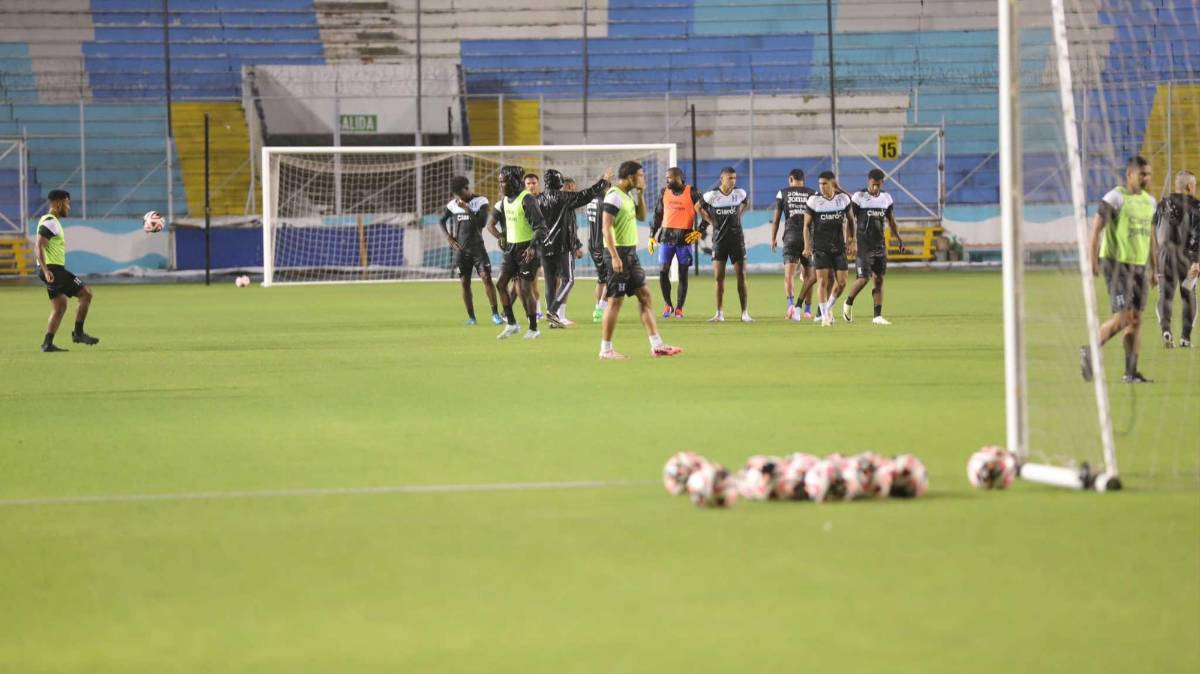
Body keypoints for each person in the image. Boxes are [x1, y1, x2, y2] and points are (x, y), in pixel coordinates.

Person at [1081, 156, 1157, 383]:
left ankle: (1131, 373)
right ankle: (1090, 350)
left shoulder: (1150, 202)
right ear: (1129, 174)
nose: (1146, 178)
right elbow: (1096, 228)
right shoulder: (1115, 197)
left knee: (1135, 320)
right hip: (1116, 264)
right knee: (1123, 317)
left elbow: (1151, 237)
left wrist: (1155, 268)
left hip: (1139, 266)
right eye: (1142, 174)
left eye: (1149, 174)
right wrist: (1092, 258)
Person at [599, 161, 683, 360]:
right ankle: (605, 349)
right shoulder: (613, 195)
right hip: (618, 254)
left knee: (645, 296)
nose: (644, 178)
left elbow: (642, 215)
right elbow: (605, 227)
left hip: (630, 255)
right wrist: (614, 256)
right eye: (641, 175)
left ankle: (657, 345)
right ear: (630, 177)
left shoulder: (627, 195)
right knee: (615, 303)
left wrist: (641, 194)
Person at [539, 167, 612, 329]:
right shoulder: (565, 198)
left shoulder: (538, 199)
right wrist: (604, 181)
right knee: (568, 280)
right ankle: (553, 311)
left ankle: (553, 319)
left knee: (550, 284)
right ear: (560, 183)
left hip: (543, 247)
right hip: (562, 247)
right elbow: (588, 194)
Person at [487, 165, 548, 340]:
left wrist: (533, 247)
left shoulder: (527, 199)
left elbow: (541, 227)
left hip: (527, 249)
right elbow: (490, 224)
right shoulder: (504, 201)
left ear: (514, 181)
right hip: (511, 249)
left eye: (503, 181)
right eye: (499, 182)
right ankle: (512, 324)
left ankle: (534, 329)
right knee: (500, 285)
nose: (500, 185)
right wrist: (500, 237)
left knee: (525, 290)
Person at [34, 189, 99, 352]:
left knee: (60, 306)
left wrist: (43, 270)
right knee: (86, 293)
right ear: (58, 203)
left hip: (50, 270)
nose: (69, 207)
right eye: (67, 203)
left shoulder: (47, 220)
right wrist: (46, 269)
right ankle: (78, 333)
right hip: (54, 270)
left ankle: (47, 344)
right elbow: (38, 245)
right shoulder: (50, 222)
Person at [844, 169, 907, 325]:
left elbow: (891, 221)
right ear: (868, 182)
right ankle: (848, 302)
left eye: (878, 185)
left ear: (882, 183)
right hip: (863, 246)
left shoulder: (886, 198)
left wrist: (899, 239)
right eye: (873, 185)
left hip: (879, 245)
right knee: (863, 278)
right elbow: (851, 221)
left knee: (879, 280)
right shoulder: (859, 197)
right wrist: (850, 241)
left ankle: (877, 316)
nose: (875, 188)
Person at [439, 176, 502, 326]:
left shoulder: (481, 201)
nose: (461, 197)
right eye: (458, 195)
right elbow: (441, 220)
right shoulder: (453, 205)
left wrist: (467, 210)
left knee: (487, 278)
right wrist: (448, 237)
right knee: (465, 284)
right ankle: (472, 317)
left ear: (467, 188)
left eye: (463, 193)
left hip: (478, 249)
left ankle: (495, 314)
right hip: (461, 251)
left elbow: (481, 223)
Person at [649, 167, 705, 318]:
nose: (667, 180)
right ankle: (668, 304)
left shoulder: (693, 192)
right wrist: (652, 235)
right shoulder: (663, 193)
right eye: (666, 177)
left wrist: (700, 230)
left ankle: (679, 308)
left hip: (684, 239)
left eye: (670, 178)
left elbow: (707, 212)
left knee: (683, 274)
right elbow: (657, 215)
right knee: (662, 272)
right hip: (666, 238)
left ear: (679, 177)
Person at [1152, 169, 1199, 348]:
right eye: (1194, 185)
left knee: (1165, 295)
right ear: (1189, 186)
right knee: (1188, 295)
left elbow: (1154, 233)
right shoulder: (1196, 206)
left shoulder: (1161, 205)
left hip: (1164, 257)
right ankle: (1185, 339)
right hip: (1188, 258)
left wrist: (1155, 260)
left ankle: (1166, 330)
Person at [802, 171, 855, 327]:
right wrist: (807, 245)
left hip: (839, 247)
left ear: (832, 184)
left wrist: (852, 241)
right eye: (819, 183)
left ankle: (827, 308)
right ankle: (824, 316)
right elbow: (806, 226)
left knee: (842, 282)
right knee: (823, 282)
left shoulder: (843, 199)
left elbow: (852, 220)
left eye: (824, 183)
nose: (821, 186)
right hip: (820, 247)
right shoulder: (814, 201)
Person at [699, 166, 752, 322]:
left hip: (737, 241)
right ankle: (719, 313)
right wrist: (711, 222)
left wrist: (738, 216)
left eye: (734, 178)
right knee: (719, 278)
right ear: (722, 179)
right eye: (730, 178)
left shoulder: (740, 193)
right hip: (719, 241)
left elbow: (746, 203)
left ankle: (744, 313)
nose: (733, 181)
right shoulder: (712, 195)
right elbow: (697, 207)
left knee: (741, 276)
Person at [769, 168, 815, 320]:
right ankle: (807, 310)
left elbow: (776, 219)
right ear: (803, 179)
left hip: (790, 238)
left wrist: (773, 238)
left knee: (789, 275)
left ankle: (791, 306)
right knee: (809, 276)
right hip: (808, 239)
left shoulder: (783, 193)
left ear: (790, 179)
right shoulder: (812, 193)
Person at [585, 192, 610, 322]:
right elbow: (607, 224)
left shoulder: (591, 201)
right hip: (602, 244)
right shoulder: (604, 202)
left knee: (601, 278)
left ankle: (597, 308)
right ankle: (600, 309)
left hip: (592, 244)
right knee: (610, 278)